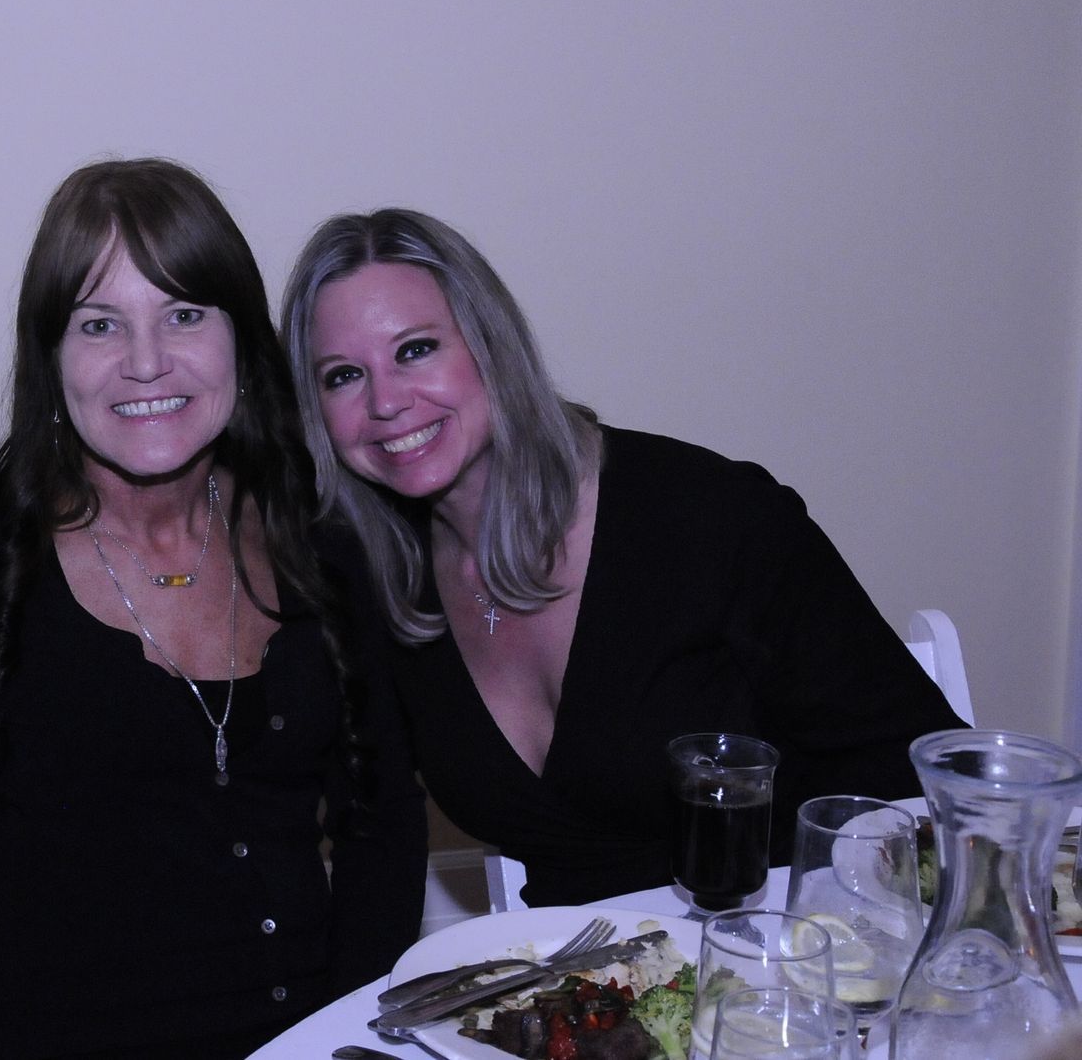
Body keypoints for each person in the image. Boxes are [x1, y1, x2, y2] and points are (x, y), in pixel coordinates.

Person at [0, 159, 427, 1059]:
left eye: (185, 314)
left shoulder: (318, 547)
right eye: (98, 323)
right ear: (52, 358)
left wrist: (348, 1038)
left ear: (242, 342)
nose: (146, 361)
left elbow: (382, 824)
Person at [280, 208, 965, 907]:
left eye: (416, 349)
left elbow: (925, 769)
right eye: (341, 375)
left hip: (788, 963)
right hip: (585, 992)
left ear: (491, 345)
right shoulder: (384, 581)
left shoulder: (710, 518)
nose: (387, 401)